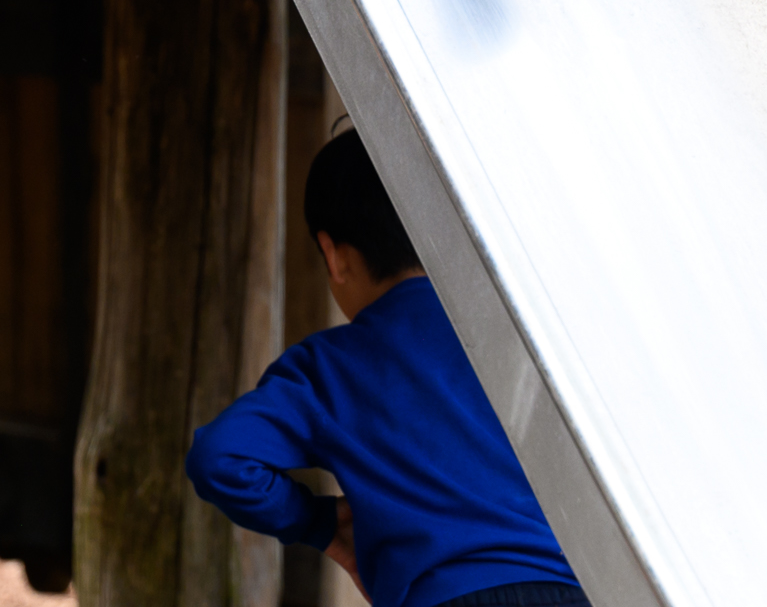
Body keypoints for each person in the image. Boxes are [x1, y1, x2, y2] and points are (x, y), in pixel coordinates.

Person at [187, 128, 583, 607]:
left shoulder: (329, 367)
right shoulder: (521, 343)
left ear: (333, 254)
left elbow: (220, 457)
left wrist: (320, 523)